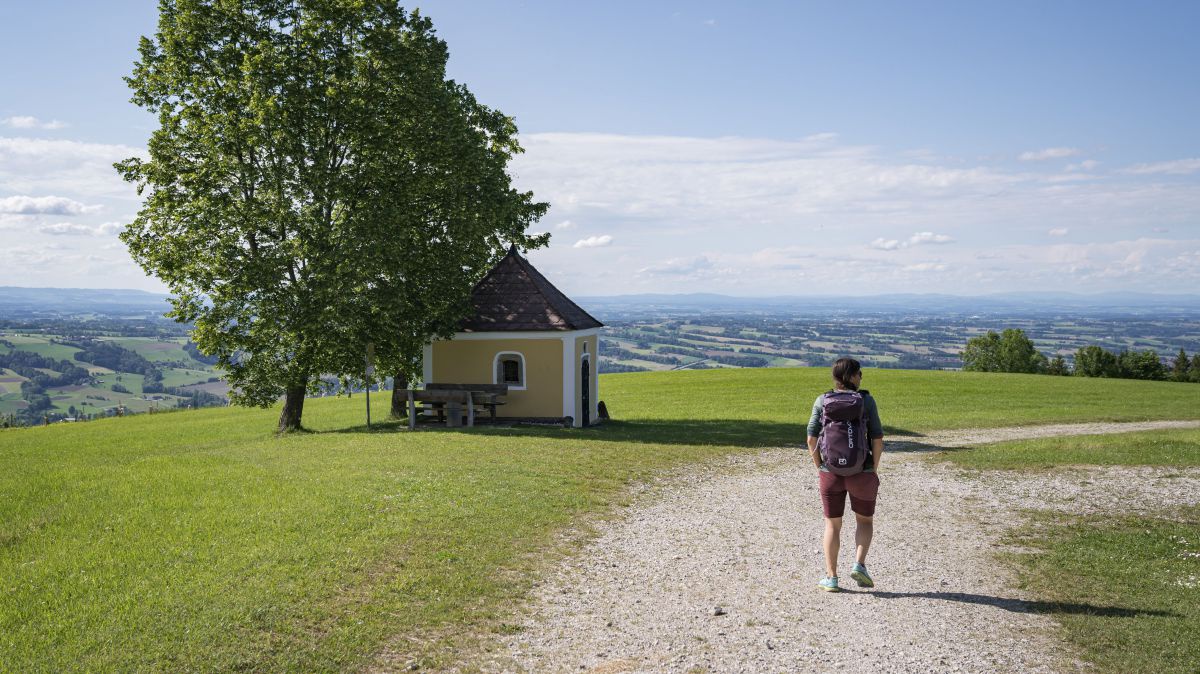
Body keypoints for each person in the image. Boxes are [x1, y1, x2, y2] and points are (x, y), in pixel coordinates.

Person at [806, 357, 885, 592]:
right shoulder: (866, 401)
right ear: (851, 376)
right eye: (859, 373)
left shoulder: (822, 400)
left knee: (832, 525)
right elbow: (877, 439)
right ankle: (859, 565)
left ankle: (831, 578)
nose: (861, 377)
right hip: (862, 472)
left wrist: (819, 465)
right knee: (864, 520)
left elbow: (811, 438)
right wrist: (872, 467)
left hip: (830, 473)